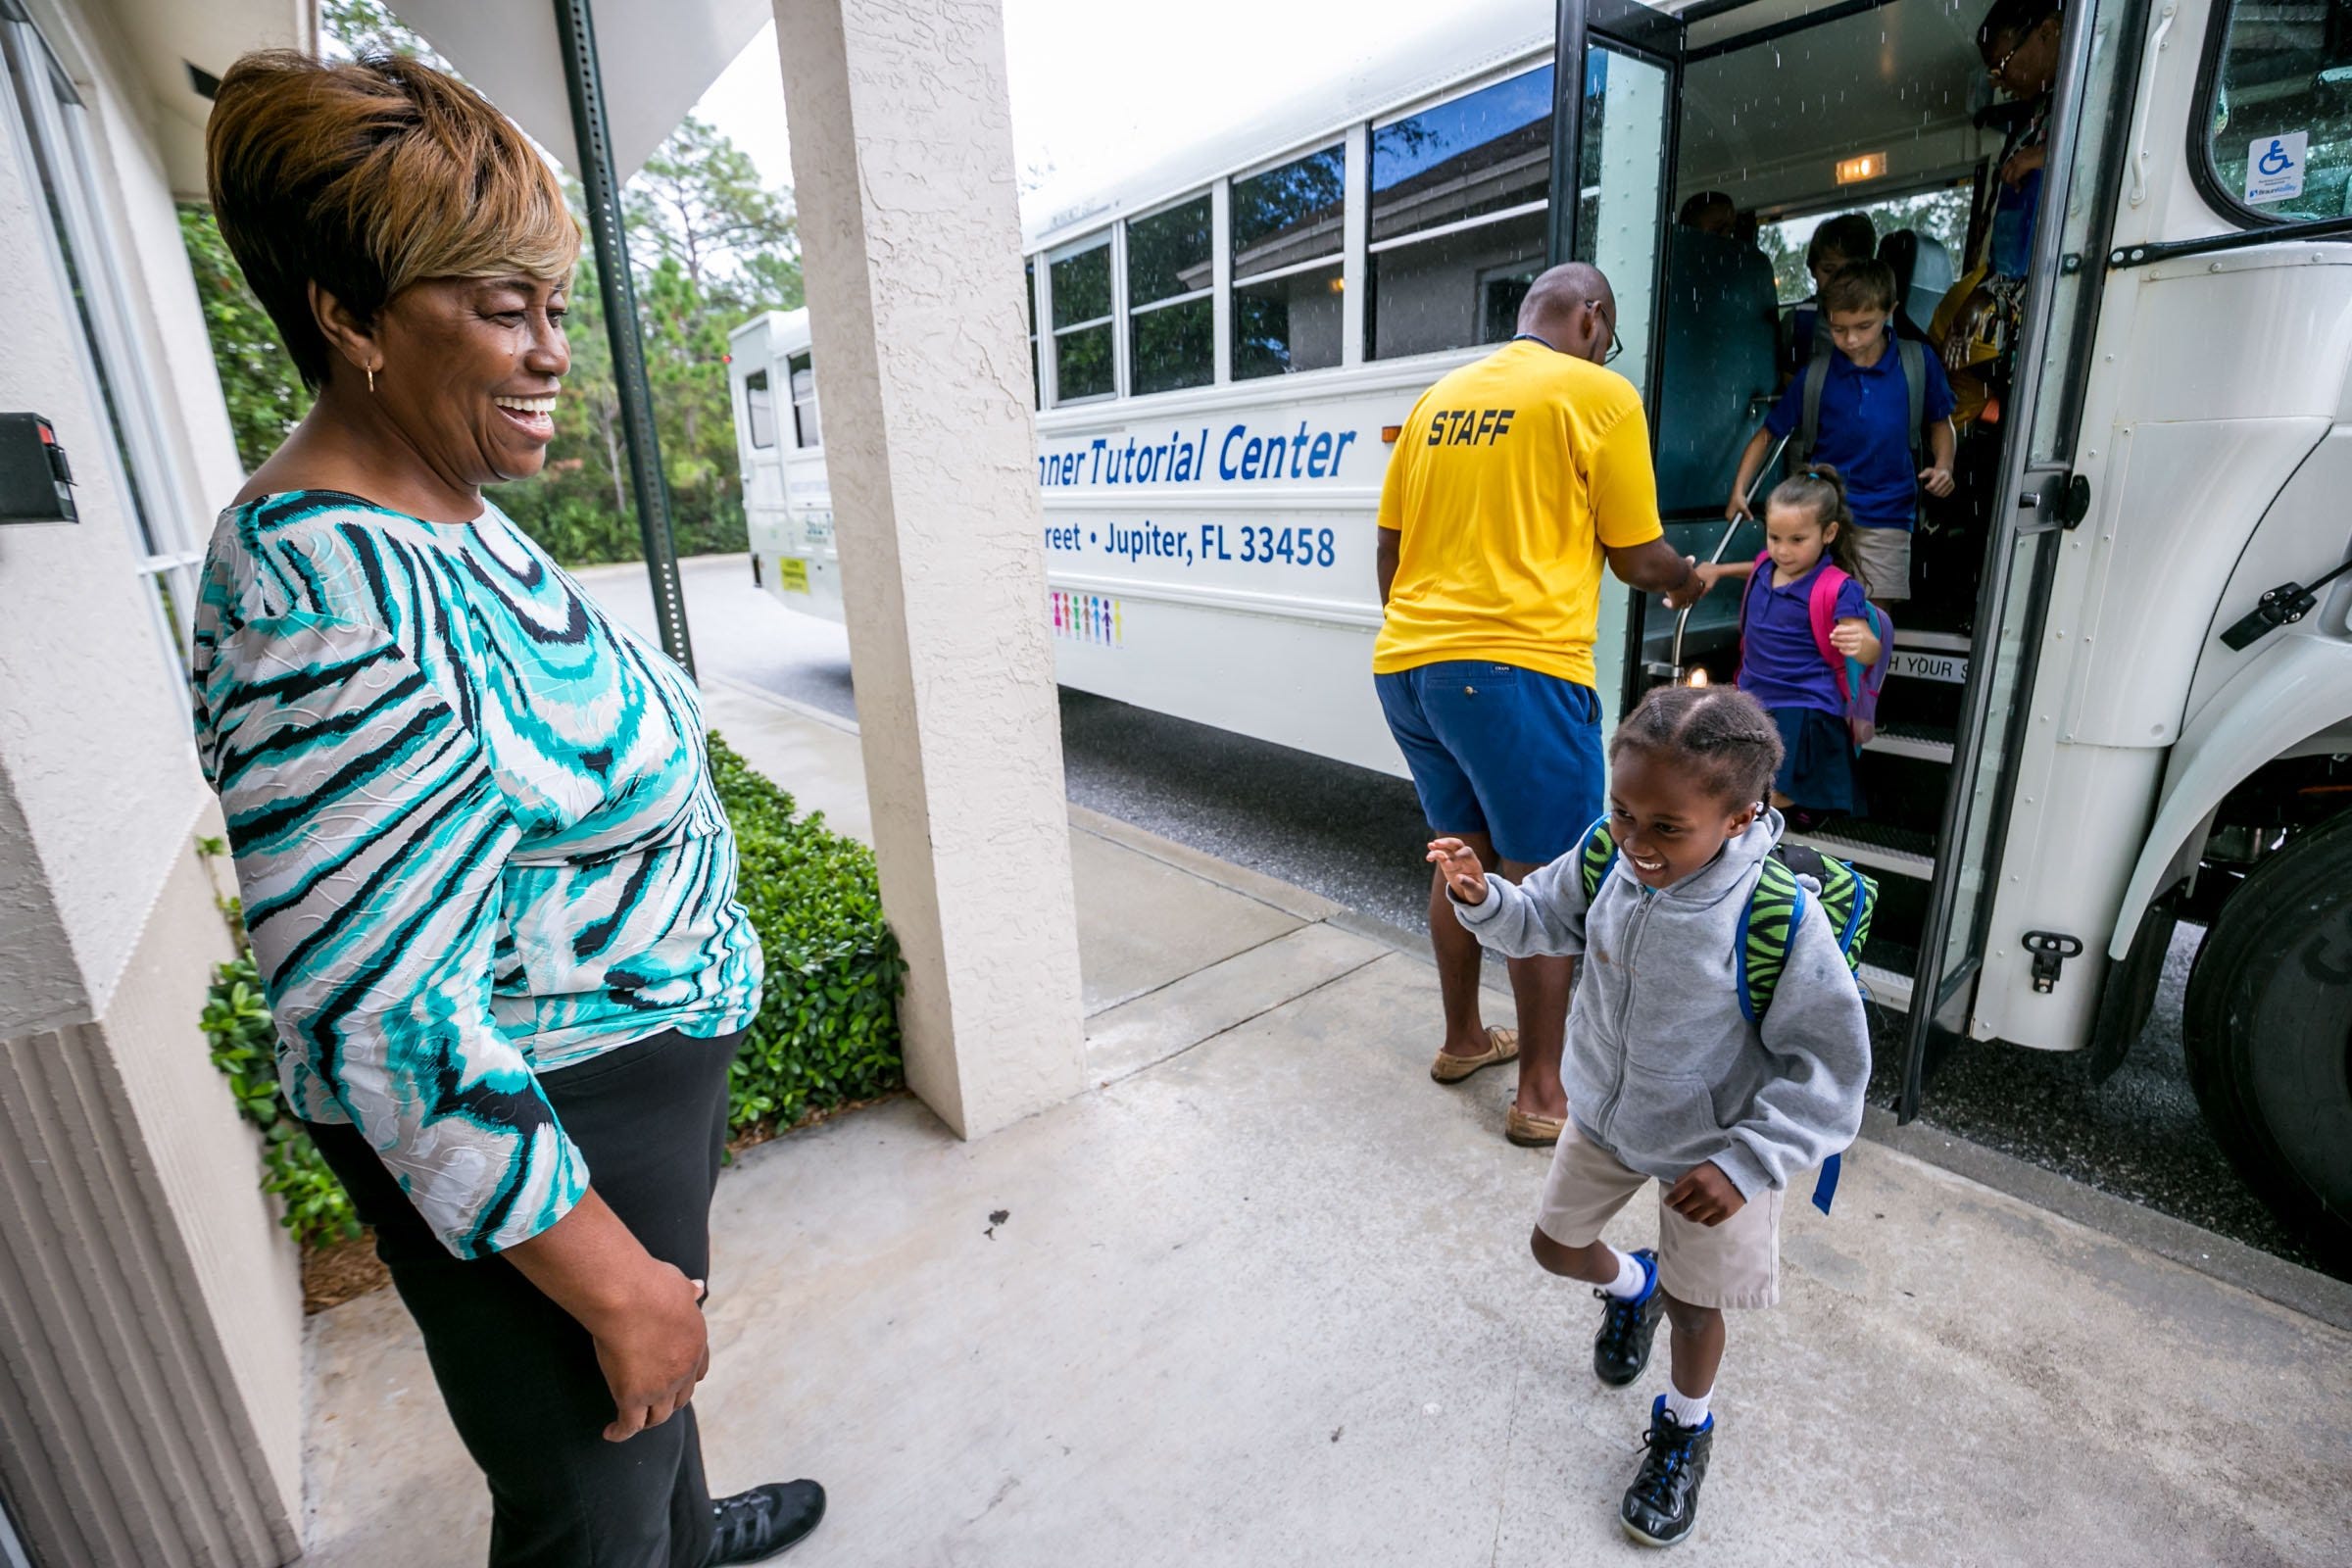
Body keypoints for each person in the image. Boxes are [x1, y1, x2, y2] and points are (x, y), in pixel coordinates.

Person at [193, 52, 822, 1567]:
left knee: (644, 1416)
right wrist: (609, 1281)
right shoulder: (328, 600)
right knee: (581, 1503)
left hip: (620, 1088)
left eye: (554, 307)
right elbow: (385, 1020)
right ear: (347, 318)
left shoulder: (444, 499)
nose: (553, 355)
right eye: (499, 308)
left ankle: (683, 1519)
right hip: (544, 1130)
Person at [1427, 684, 1870, 1547]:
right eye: (1623, 813)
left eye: (1667, 828)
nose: (1636, 843)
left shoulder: (1776, 916)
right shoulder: (1606, 857)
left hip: (1716, 1153)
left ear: (1740, 819)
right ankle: (1633, 1288)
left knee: (1699, 1308)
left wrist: (1747, 1163)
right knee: (1555, 1247)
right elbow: (1541, 920)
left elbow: (1831, 1069)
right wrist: (1483, 898)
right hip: (1607, 1113)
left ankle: (1686, 1429)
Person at [1374, 263, 1710, 1148]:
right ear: (1592, 318)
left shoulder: (1440, 400)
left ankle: (1461, 1039)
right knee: (1546, 883)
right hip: (1518, 668)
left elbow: (1390, 550)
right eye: (1612, 335)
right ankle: (1542, 1095)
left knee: (1462, 856)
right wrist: (1685, 580)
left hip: (1411, 667)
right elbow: (1638, 556)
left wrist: (1432, 639)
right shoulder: (1595, 395)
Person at [1729, 259, 1956, 606]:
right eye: (1838, 328)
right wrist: (1739, 490)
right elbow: (1766, 435)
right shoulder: (1816, 376)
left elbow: (1942, 424)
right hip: (1821, 517)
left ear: (1891, 312)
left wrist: (1944, 465)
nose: (1850, 339)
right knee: (1811, 611)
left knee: (1872, 620)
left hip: (1889, 514)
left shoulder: (1916, 363)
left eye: (1864, 326)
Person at [1695, 467, 1884, 819]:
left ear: (1829, 533)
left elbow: (1872, 648)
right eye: (1774, 537)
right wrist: (1719, 571)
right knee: (1741, 783)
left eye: (1797, 540)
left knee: (1767, 792)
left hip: (1803, 704)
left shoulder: (1839, 588)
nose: (1783, 551)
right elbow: (1755, 565)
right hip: (1754, 697)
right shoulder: (1767, 567)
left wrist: (1860, 641)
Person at [1785, 211, 1878, 370]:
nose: (1839, 280)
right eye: (1828, 270)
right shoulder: (1798, 322)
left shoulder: (1883, 317)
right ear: (1813, 270)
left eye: (1849, 270)